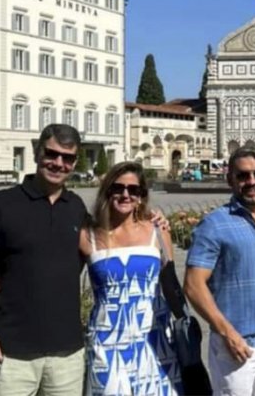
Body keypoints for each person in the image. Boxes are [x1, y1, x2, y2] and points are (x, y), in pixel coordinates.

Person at [0, 124, 88, 395]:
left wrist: (150, 221)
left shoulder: (77, 207)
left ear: (75, 162)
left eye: (67, 158)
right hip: (10, 351)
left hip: (67, 353)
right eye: (52, 154)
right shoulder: (2, 204)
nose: (59, 163)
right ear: (36, 152)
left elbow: (107, 244)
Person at [185, 145, 255, 396]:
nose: (252, 181)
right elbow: (193, 285)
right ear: (230, 179)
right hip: (236, 345)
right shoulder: (213, 224)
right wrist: (227, 332)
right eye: (243, 175)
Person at [80, 161, 182, 394]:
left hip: (155, 341)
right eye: (118, 188)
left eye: (133, 190)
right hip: (106, 343)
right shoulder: (89, 236)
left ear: (141, 195)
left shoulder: (158, 231)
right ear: (108, 191)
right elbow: (59, 275)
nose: (125, 195)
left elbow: (171, 284)